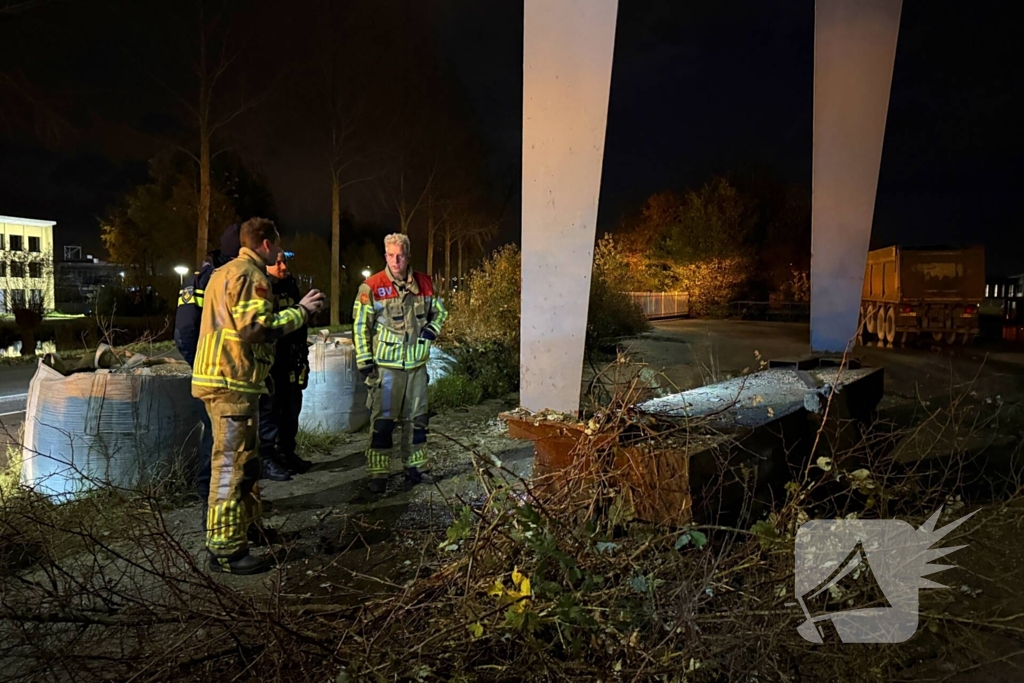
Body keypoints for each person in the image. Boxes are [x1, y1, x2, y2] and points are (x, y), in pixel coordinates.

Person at [192, 217, 325, 574]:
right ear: (265, 243)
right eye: (278, 246)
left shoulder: (222, 272)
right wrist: (302, 312)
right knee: (232, 465)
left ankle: (246, 530)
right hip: (231, 381)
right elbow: (256, 328)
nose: (281, 253)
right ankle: (226, 550)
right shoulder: (251, 276)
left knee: (246, 462)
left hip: (226, 379)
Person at [352, 233, 448, 494]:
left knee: (418, 420)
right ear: (385, 256)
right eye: (391, 255)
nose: (396, 260)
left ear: (408, 256)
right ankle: (378, 473)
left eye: (400, 255)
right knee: (383, 423)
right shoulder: (371, 287)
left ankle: (416, 467)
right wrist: (364, 362)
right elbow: (361, 327)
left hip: (416, 366)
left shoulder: (425, 284)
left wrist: (431, 330)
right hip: (386, 368)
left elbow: (440, 311)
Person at [174, 223, 240, 507]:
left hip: (235, 377)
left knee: (234, 444)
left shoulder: (237, 274)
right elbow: (184, 332)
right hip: (216, 377)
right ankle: (209, 500)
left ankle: (235, 501)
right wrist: (202, 365)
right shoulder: (204, 279)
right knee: (217, 441)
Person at [258, 251, 312, 481]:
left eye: (284, 261)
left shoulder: (291, 285)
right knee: (270, 410)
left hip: (292, 358)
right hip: (272, 361)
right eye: (276, 262)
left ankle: (287, 452)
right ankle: (267, 459)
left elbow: (300, 323)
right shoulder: (262, 288)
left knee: (292, 408)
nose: (282, 266)